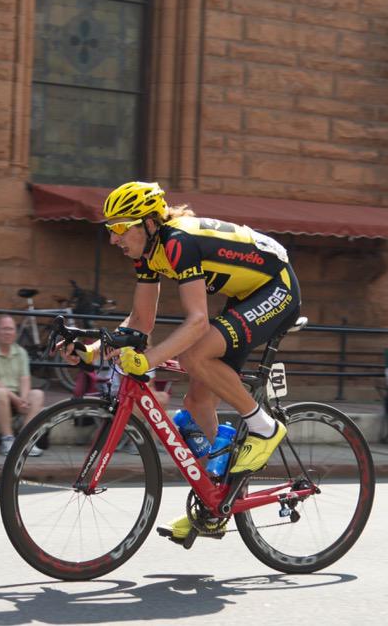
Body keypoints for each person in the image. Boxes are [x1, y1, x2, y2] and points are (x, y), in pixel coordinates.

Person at [65, 181, 301, 544]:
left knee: (194, 354)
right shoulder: (148, 253)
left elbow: (196, 322)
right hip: (243, 295)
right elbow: (141, 322)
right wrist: (93, 350)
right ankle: (216, 503)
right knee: (196, 402)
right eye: (109, 229)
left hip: (276, 288)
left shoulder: (178, 242)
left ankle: (264, 428)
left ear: (146, 223)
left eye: (118, 228)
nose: (113, 239)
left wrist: (150, 361)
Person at [0, 315, 45, 457]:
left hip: (14, 398)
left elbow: (25, 379)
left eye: (11, 329)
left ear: (15, 333)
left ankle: (24, 440)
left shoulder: (21, 352)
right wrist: (17, 400)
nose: (8, 332)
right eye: (4, 329)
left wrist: (23, 399)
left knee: (37, 394)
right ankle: (7, 440)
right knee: (0, 392)